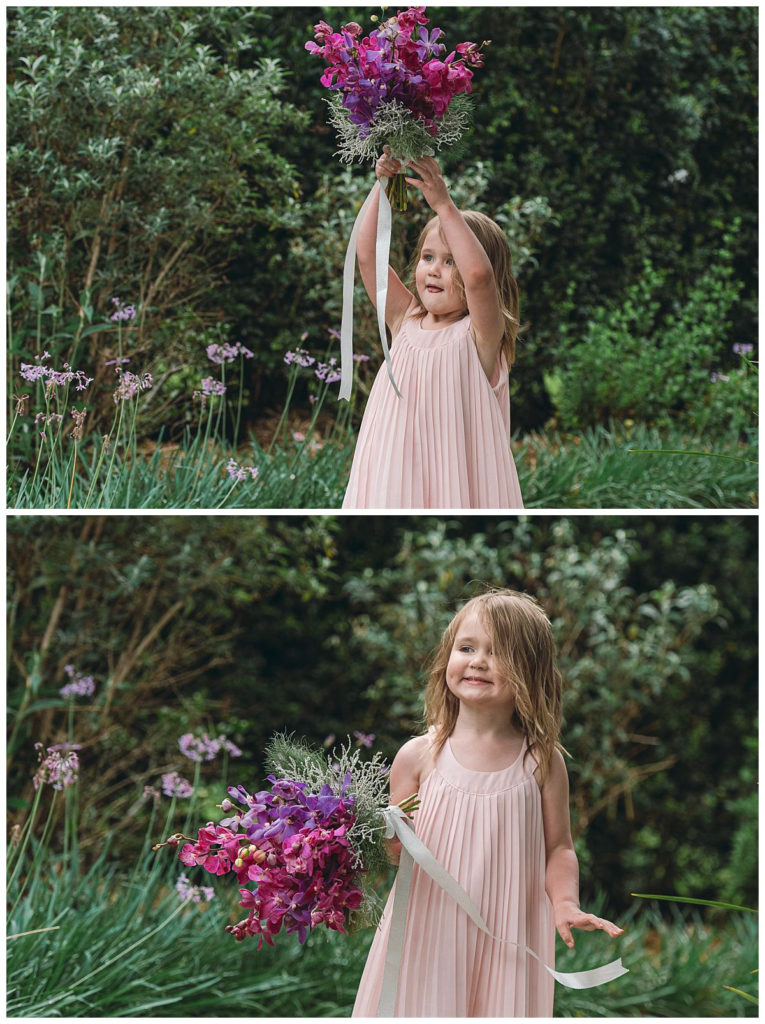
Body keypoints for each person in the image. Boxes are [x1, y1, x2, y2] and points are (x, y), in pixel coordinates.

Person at [353, 589, 624, 1017]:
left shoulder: (540, 760)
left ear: (530, 673)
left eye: (498, 653)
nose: (477, 661)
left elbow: (559, 847)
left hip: (510, 932)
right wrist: (356, 839)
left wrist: (565, 902)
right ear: (447, 659)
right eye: (466, 648)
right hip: (430, 928)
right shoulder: (418, 756)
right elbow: (395, 851)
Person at [342, 148, 524, 509]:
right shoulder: (404, 319)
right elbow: (367, 255)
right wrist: (383, 184)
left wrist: (443, 204)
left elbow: (479, 278)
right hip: (392, 479)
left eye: (450, 261)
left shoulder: (481, 335)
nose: (434, 270)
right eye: (428, 257)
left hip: (454, 484)